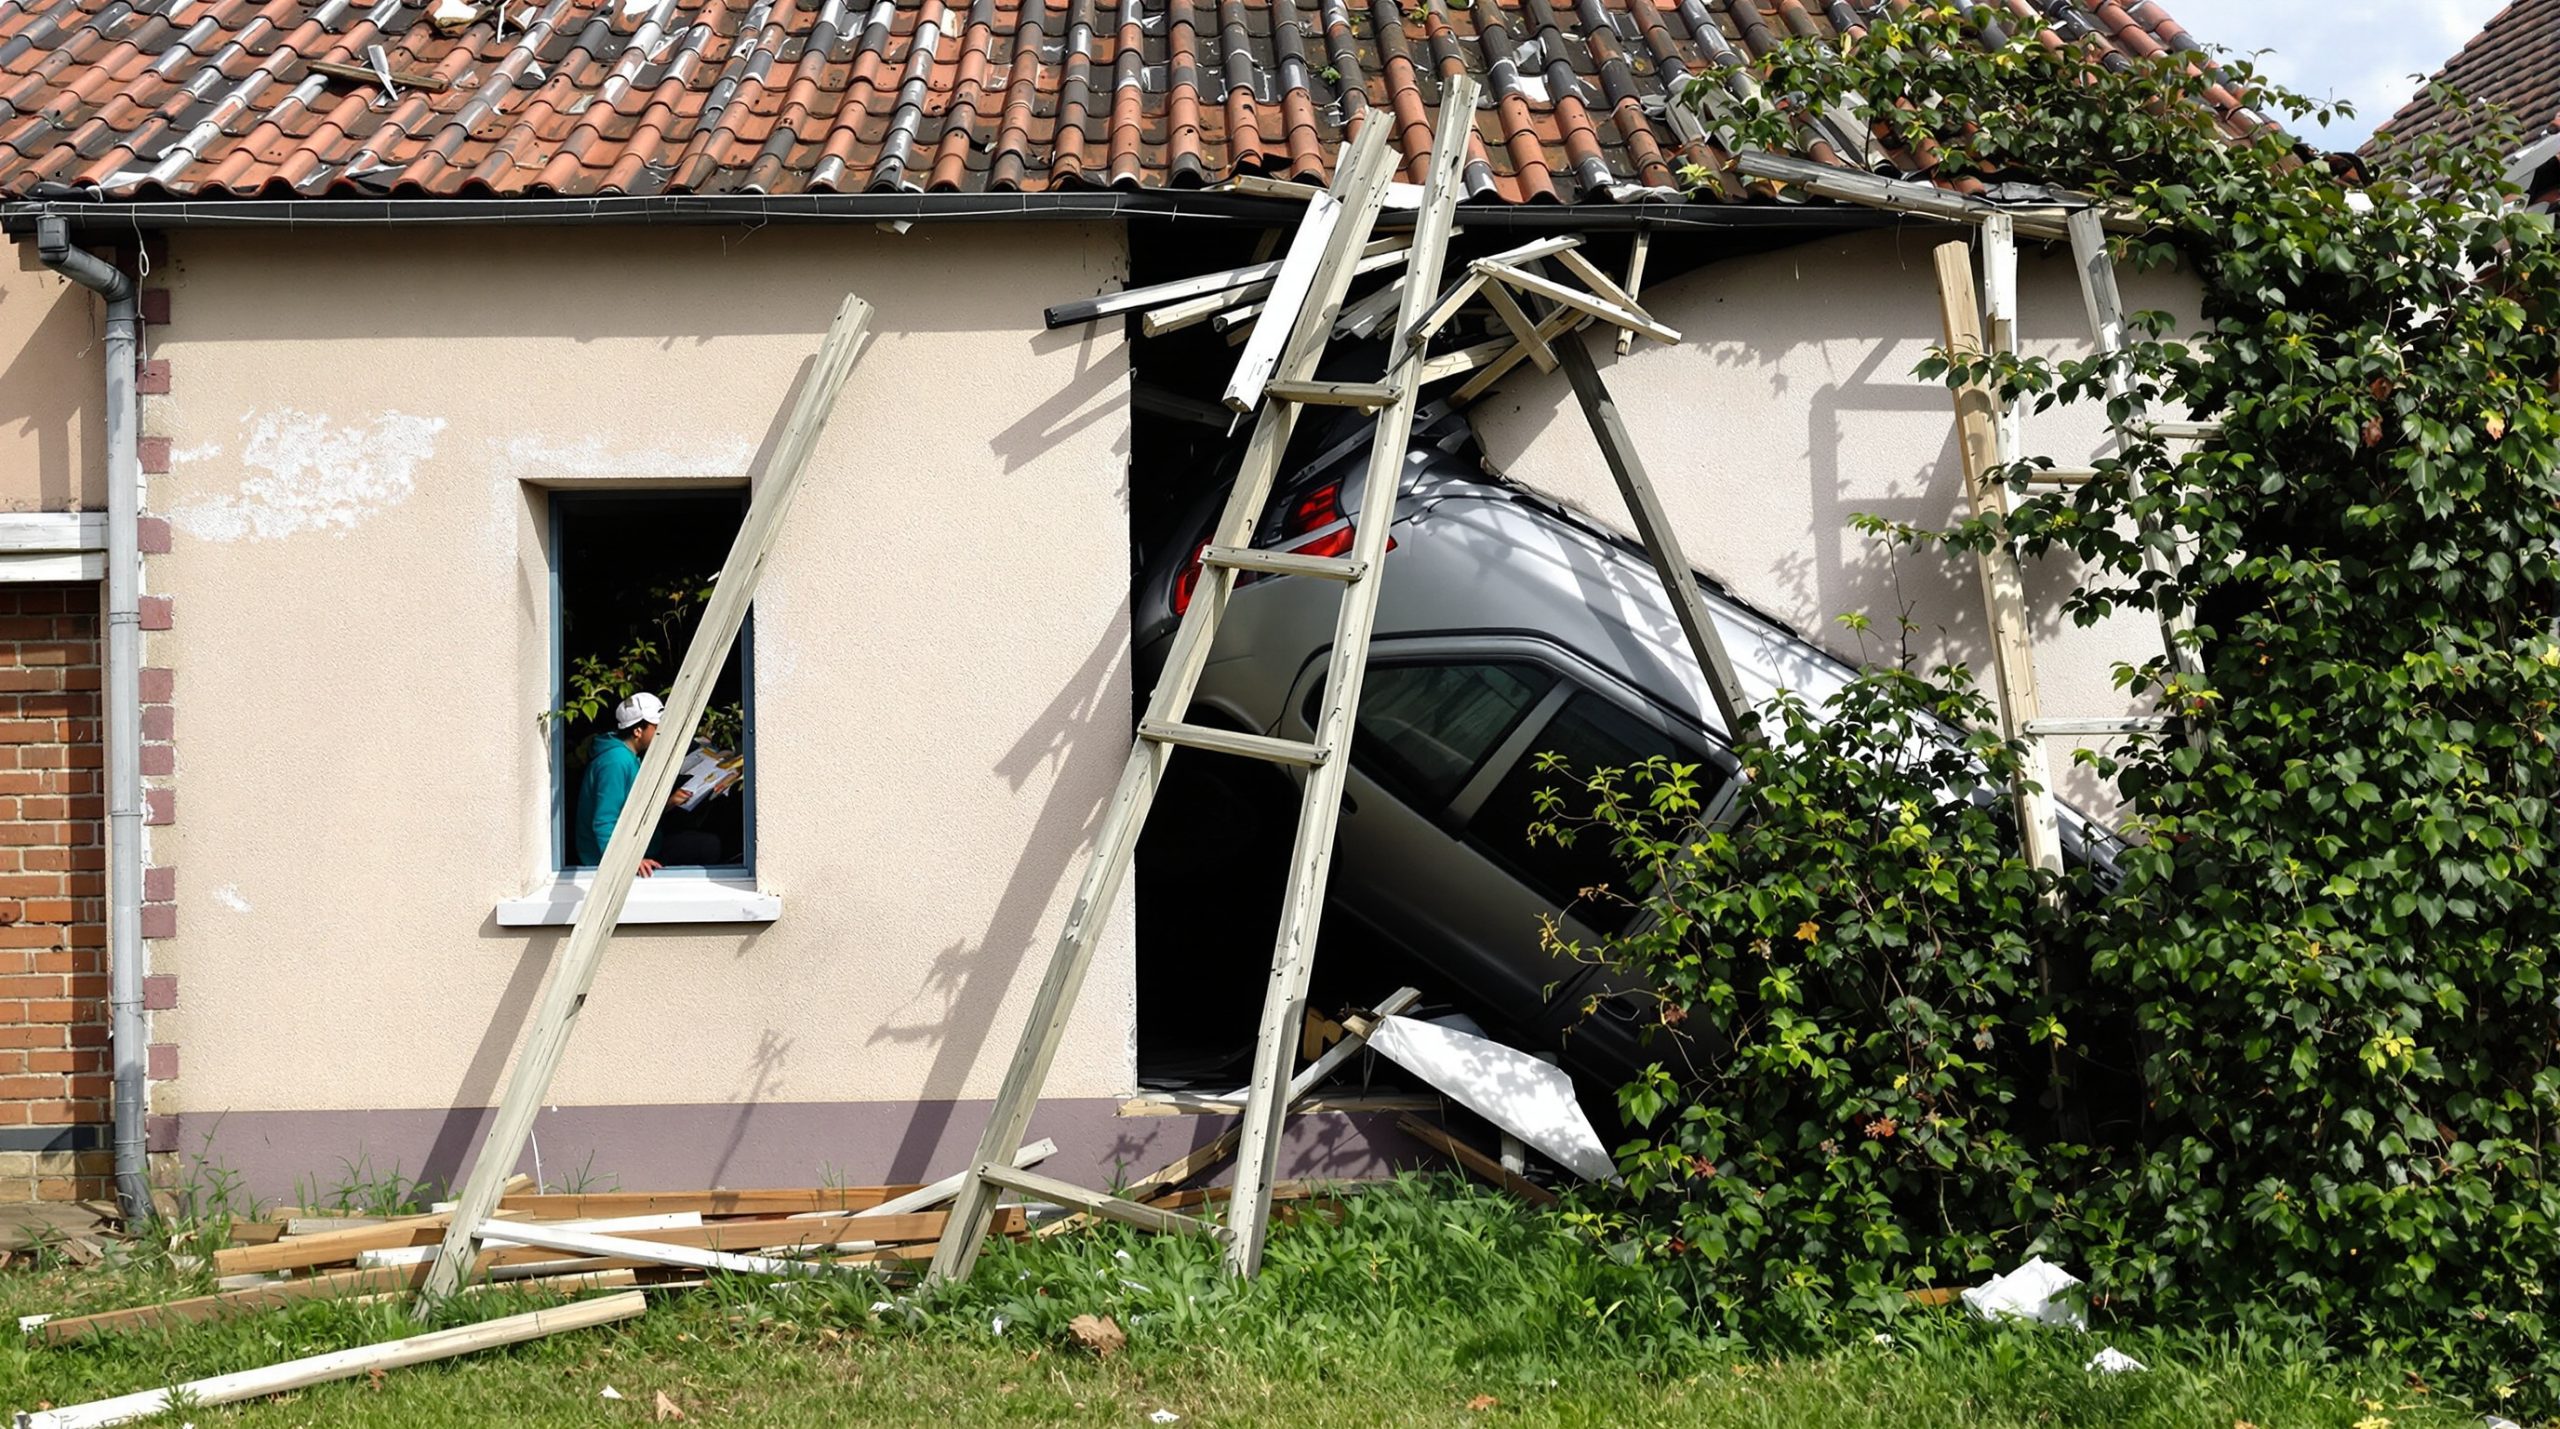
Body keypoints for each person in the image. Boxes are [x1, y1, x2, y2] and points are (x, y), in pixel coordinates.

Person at [574, 691, 669, 876]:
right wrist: (627, 861)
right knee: (706, 847)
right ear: (638, 730)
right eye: (656, 726)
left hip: (636, 849)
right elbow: (605, 820)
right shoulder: (615, 762)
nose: (660, 731)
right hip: (607, 861)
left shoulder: (628, 756)